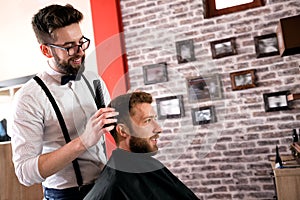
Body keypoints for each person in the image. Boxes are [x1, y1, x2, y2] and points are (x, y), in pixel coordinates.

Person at [9, 4, 118, 200]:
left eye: (81, 42)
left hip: (106, 187)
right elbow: (25, 173)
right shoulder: (28, 99)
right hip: (65, 195)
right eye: (69, 47)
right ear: (46, 51)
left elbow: (111, 131)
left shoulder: (95, 81)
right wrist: (83, 141)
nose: (80, 51)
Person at [84, 92, 199, 200]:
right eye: (147, 121)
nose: (158, 129)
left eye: (154, 119)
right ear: (123, 131)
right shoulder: (116, 182)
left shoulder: (150, 166)